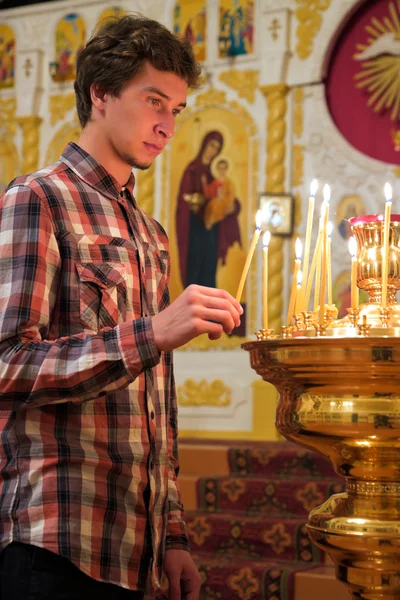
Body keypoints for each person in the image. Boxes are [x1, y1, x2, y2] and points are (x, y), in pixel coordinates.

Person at [0, 14, 242, 600]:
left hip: (138, 545)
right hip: (55, 541)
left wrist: (175, 536)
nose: (167, 125)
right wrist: (151, 333)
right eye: (154, 100)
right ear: (100, 94)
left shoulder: (152, 233)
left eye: (178, 109)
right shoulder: (36, 199)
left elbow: (157, 400)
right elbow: (7, 365)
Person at [175, 132, 241, 290]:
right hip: (195, 227)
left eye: (217, 148)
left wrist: (233, 206)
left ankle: (209, 310)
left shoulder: (215, 173)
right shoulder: (192, 170)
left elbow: (229, 197)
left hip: (213, 228)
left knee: (210, 266)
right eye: (212, 145)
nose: (214, 151)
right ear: (204, 144)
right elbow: (183, 201)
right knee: (195, 263)